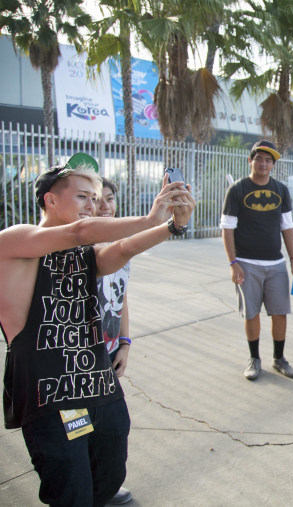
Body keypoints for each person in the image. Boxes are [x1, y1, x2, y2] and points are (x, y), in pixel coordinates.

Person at [0, 155, 194, 506]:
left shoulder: (81, 250)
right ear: (51, 199)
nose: (93, 204)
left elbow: (119, 251)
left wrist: (172, 227)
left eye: (95, 197)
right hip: (52, 396)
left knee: (109, 468)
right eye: (82, 196)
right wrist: (152, 217)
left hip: (98, 381)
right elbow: (79, 230)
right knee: (71, 488)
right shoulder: (15, 240)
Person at [221, 140, 293, 381]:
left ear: (273, 164)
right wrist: (233, 263)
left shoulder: (281, 190)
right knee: (251, 314)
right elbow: (227, 229)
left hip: (275, 264)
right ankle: (254, 359)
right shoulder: (237, 190)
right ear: (251, 161)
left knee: (280, 313)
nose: (263, 163)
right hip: (246, 263)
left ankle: (279, 359)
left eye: (268, 160)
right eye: (259, 158)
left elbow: (287, 226)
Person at [95, 178, 134, 505]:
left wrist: (124, 342)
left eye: (109, 198)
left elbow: (121, 298)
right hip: (72, 364)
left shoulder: (120, 246)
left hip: (108, 355)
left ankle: (105, 488)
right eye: (95, 199)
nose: (105, 205)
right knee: (78, 435)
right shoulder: (68, 250)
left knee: (115, 428)